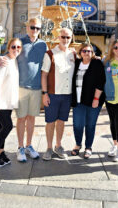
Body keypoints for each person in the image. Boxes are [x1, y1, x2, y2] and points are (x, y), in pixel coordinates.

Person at [0, 18, 47, 162]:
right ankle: (20, 147)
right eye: (32, 27)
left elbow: (50, 61)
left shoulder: (43, 44)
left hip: (36, 88)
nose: (35, 30)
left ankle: (29, 146)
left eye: (38, 28)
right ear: (27, 28)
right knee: (21, 118)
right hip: (21, 88)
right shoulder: (20, 42)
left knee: (31, 118)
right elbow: (8, 55)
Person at [41, 28, 75, 161]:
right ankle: (49, 148)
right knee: (50, 122)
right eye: (63, 37)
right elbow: (43, 75)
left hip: (67, 95)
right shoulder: (50, 54)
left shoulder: (73, 54)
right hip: (52, 94)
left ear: (71, 38)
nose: (65, 40)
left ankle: (58, 146)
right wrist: (44, 94)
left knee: (61, 122)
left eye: (68, 37)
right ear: (58, 37)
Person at [0, 38, 22, 167]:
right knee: (8, 126)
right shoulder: (4, 62)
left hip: (8, 102)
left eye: (18, 47)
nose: (16, 49)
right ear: (8, 47)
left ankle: (1, 152)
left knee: (1, 127)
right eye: (13, 47)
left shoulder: (15, 61)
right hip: (0, 101)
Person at [71, 43, 105, 159]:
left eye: (89, 51)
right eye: (84, 51)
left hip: (93, 100)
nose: (87, 53)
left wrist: (96, 99)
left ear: (92, 53)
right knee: (77, 124)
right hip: (78, 100)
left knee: (90, 125)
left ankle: (88, 147)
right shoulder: (76, 64)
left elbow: (101, 82)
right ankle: (78, 144)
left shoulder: (97, 63)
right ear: (80, 52)